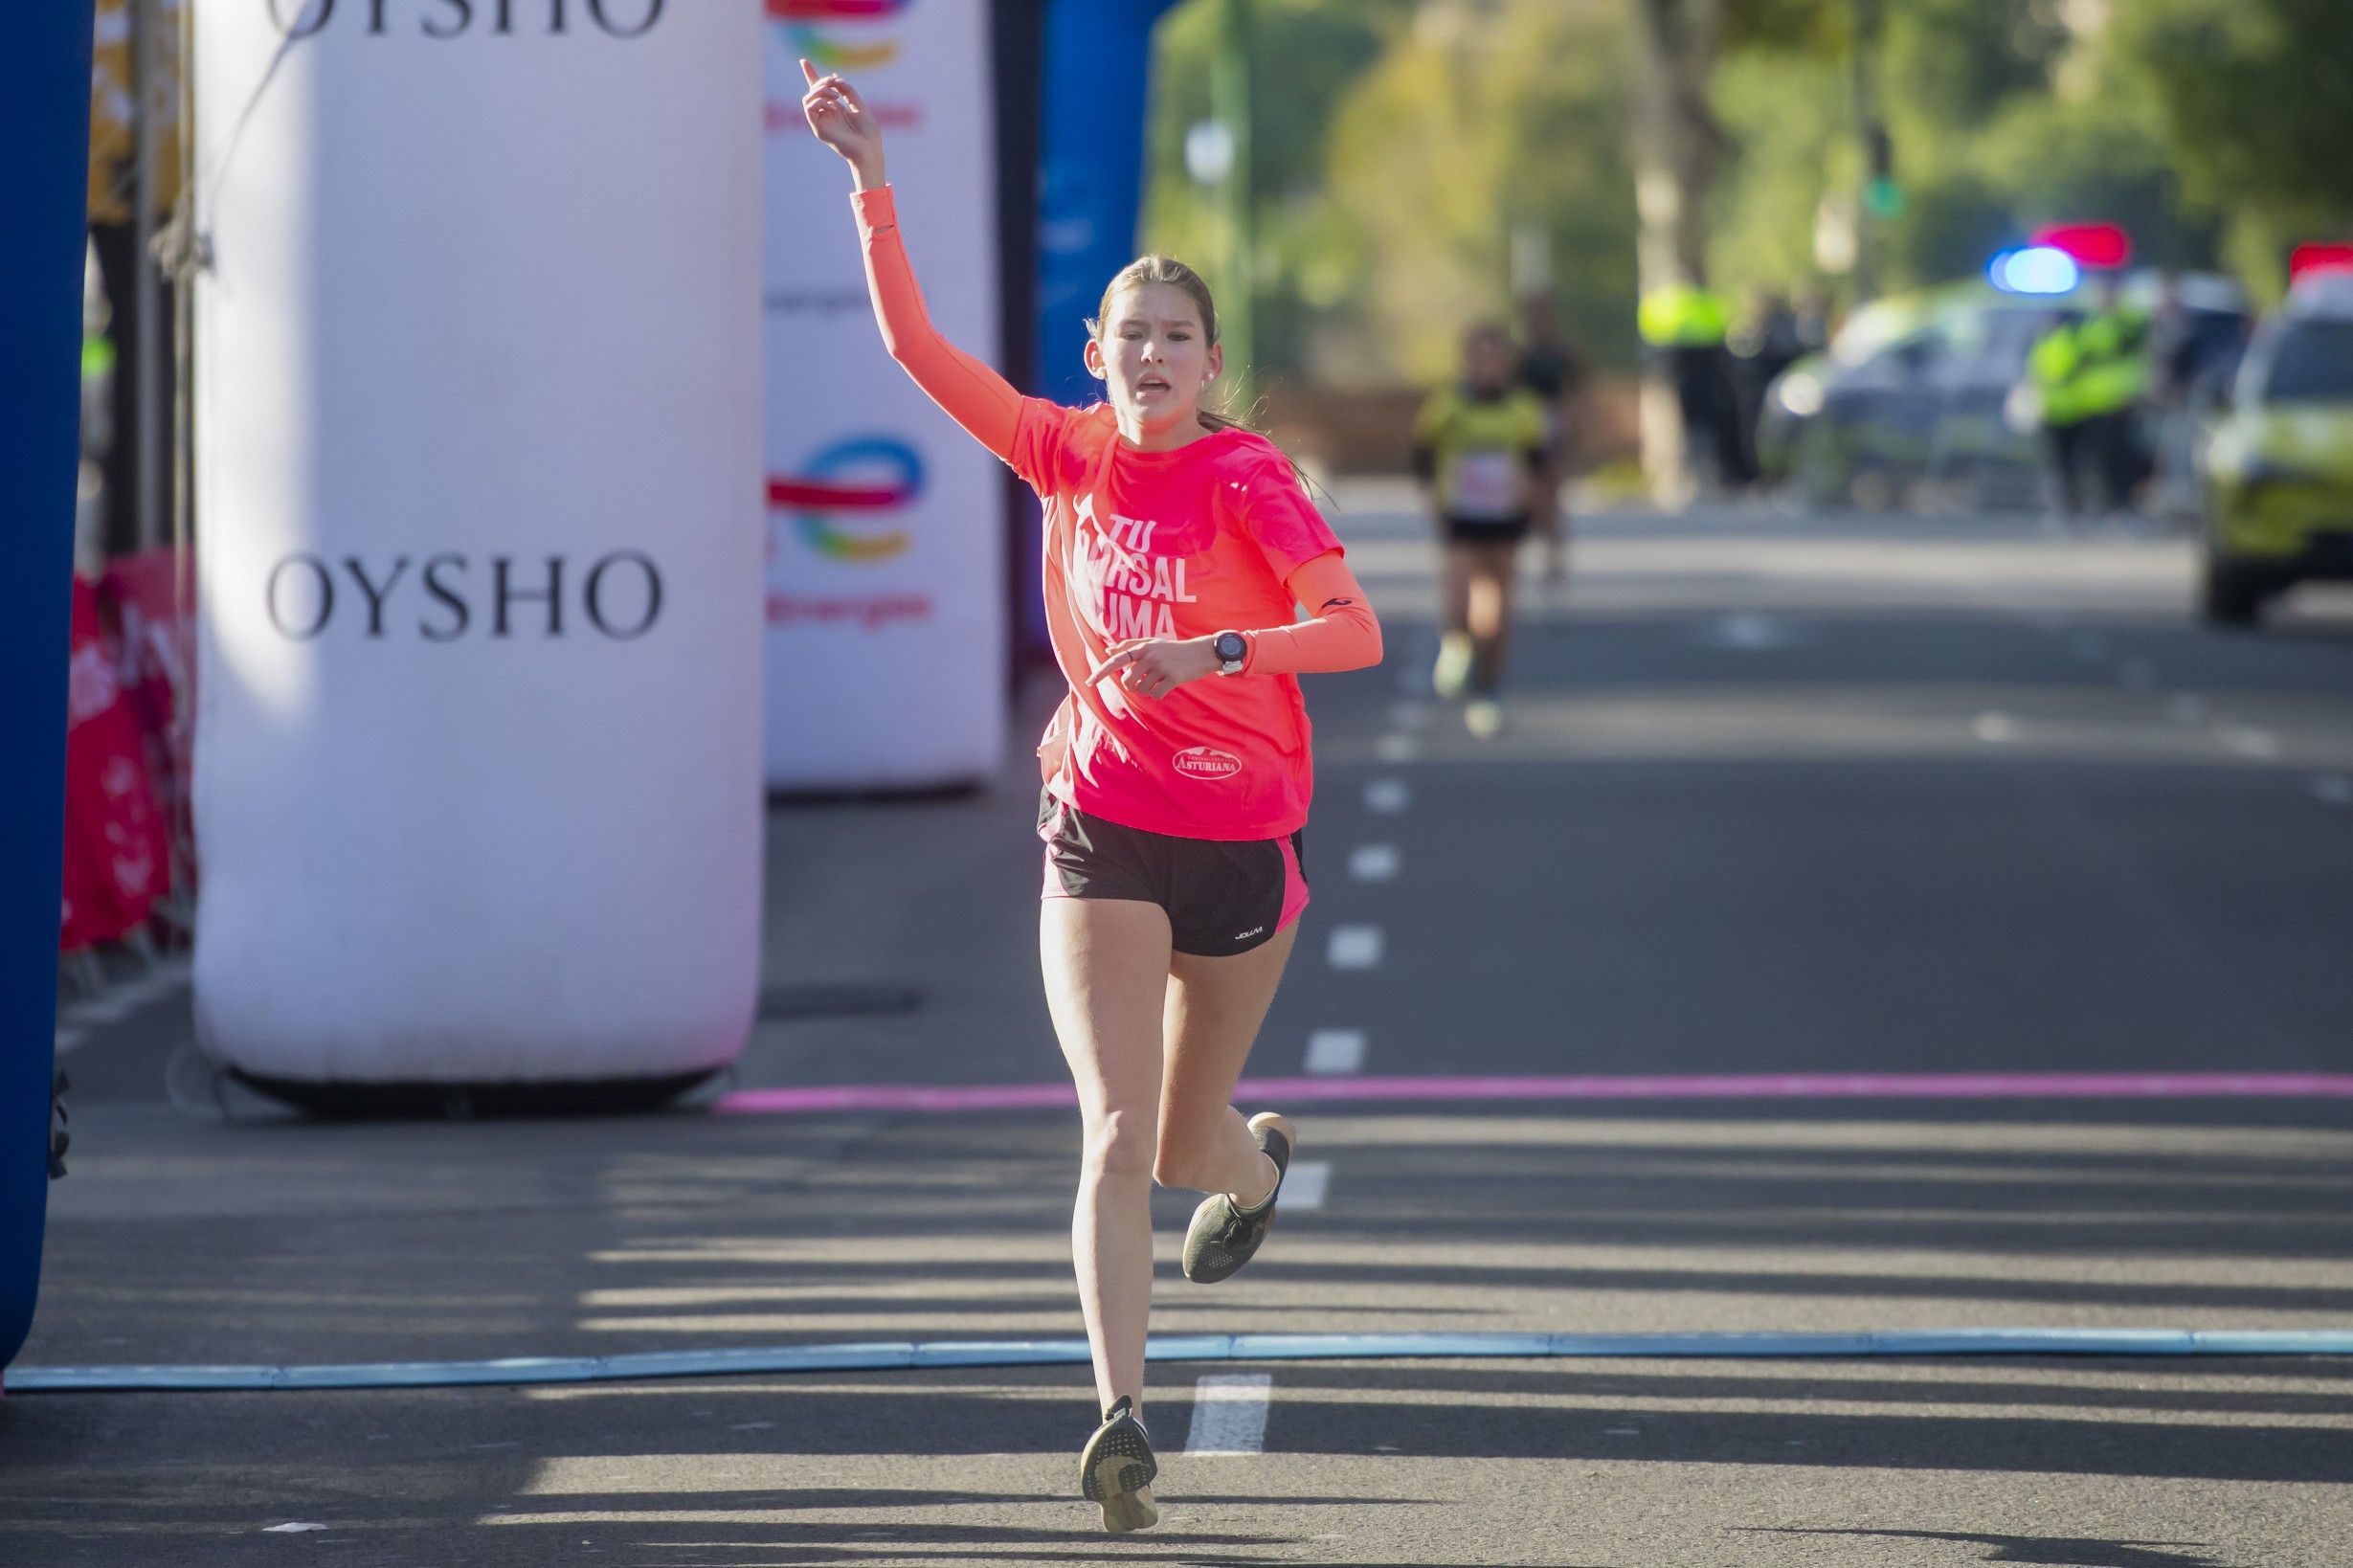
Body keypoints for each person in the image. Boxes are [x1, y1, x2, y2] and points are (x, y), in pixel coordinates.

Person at [800, 64, 1383, 1534]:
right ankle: (1121, 1411)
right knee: (1116, 1134)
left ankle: (1253, 1172)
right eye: (1128, 338)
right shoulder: (1060, 451)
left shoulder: (1249, 479)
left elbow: (1355, 630)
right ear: (1096, 352)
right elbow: (914, 344)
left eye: (1175, 340)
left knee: (1192, 1145)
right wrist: (869, 177)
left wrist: (1217, 647)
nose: (1150, 359)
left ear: (1207, 359)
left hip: (1244, 839)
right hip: (1106, 824)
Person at [1414, 323, 1553, 738]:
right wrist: (1431, 499)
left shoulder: (1524, 409)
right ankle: (1455, 645)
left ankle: (1488, 688)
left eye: (1496, 359)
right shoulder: (1448, 406)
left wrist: (1539, 512)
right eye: (1480, 358)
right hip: (1462, 516)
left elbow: (1539, 464)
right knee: (1457, 595)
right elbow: (1422, 455)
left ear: (1507, 364)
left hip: (1507, 519)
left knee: (1494, 614)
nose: (1488, 367)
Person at [2028, 276, 2151, 520]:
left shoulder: (2125, 323)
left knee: (2117, 460)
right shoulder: (2087, 329)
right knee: (2093, 461)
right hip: (2088, 406)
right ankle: (2098, 505)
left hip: (2116, 403)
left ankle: (2116, 504)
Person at [1513, 294, 1585, 587]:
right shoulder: (1519, 355)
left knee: (1552, 496)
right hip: (1523, 422)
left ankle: (1554, 560)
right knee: (1523, 496)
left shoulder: (1562, 354)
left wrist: (1574, 428)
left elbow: (1578, 392)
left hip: (1553, 422)